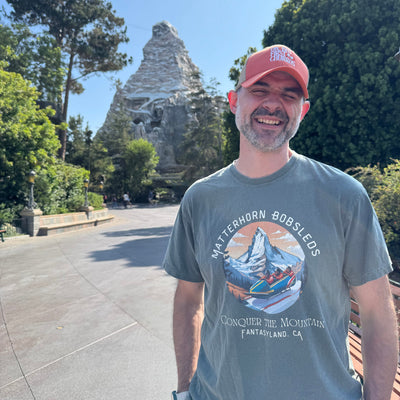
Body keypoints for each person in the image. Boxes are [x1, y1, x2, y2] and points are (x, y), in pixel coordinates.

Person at [163, 45, 398, 400]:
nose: (273, 104)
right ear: (233, 101)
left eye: (288, 95)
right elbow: (188, 301)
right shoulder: (200, 199)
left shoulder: (344, 196)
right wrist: (185, 389)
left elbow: (378, 315)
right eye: (259, 90)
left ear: (301, 111)